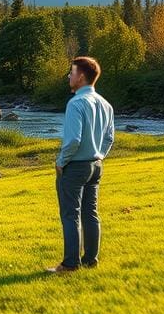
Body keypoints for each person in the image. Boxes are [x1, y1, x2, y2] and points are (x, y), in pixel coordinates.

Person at [47, 56, 115, 273]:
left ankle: (69, 264)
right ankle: (90, 260)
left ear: (82, 76)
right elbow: (109, 138)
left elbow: (74, 140)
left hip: (75, 166)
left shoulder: (76, 103)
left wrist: (60, 161)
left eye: (72, 72)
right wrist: (100, 156)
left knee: (70, 215)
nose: (69, 76)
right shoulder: (106, 104)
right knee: (90, 213)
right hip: (96, 165)